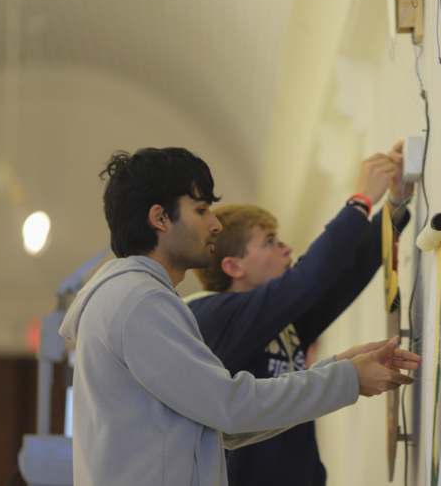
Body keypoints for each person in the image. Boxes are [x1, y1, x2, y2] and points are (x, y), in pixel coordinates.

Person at [58, 147, 420, 486]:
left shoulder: (138, 300)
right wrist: (348, 377)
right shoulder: (142, 302)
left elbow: (225, 425)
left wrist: (341, 369)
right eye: (201, 210)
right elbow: (231, 408)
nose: (215, 225)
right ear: (160, 218)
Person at [187, 142, 414, 486]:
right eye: (270, 241)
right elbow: (310, 277)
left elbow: (344, 274)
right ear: (233, 266)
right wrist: (360, 201)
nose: (286, 248)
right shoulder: (211, 315)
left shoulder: (281, 320)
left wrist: (395, 204)